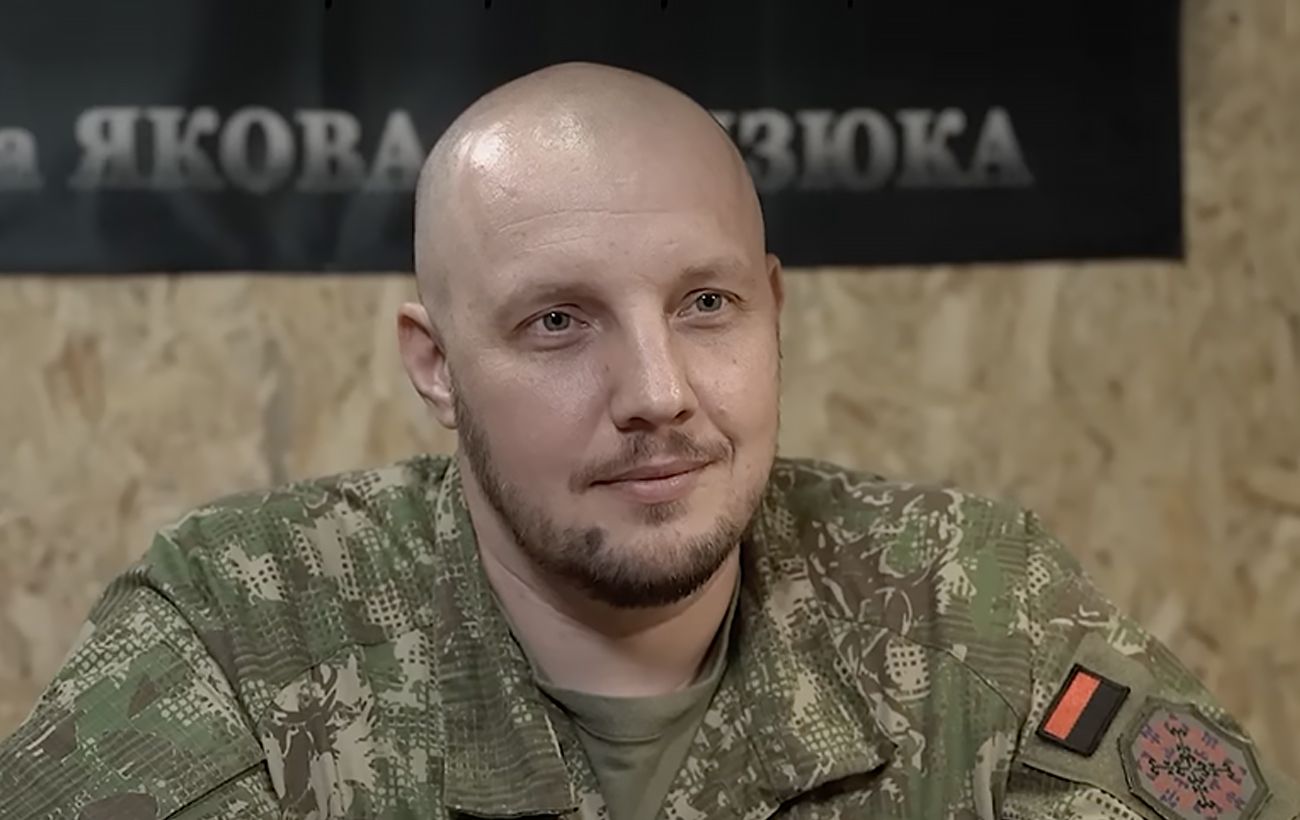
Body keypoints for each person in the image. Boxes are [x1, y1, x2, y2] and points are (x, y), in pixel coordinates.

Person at [0, 61, 1294, 820]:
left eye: (705, 305)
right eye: (558, 322)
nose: (658, 392)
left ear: (773, 310)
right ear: (435, 367)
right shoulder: (242, 630)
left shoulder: (972, 604)